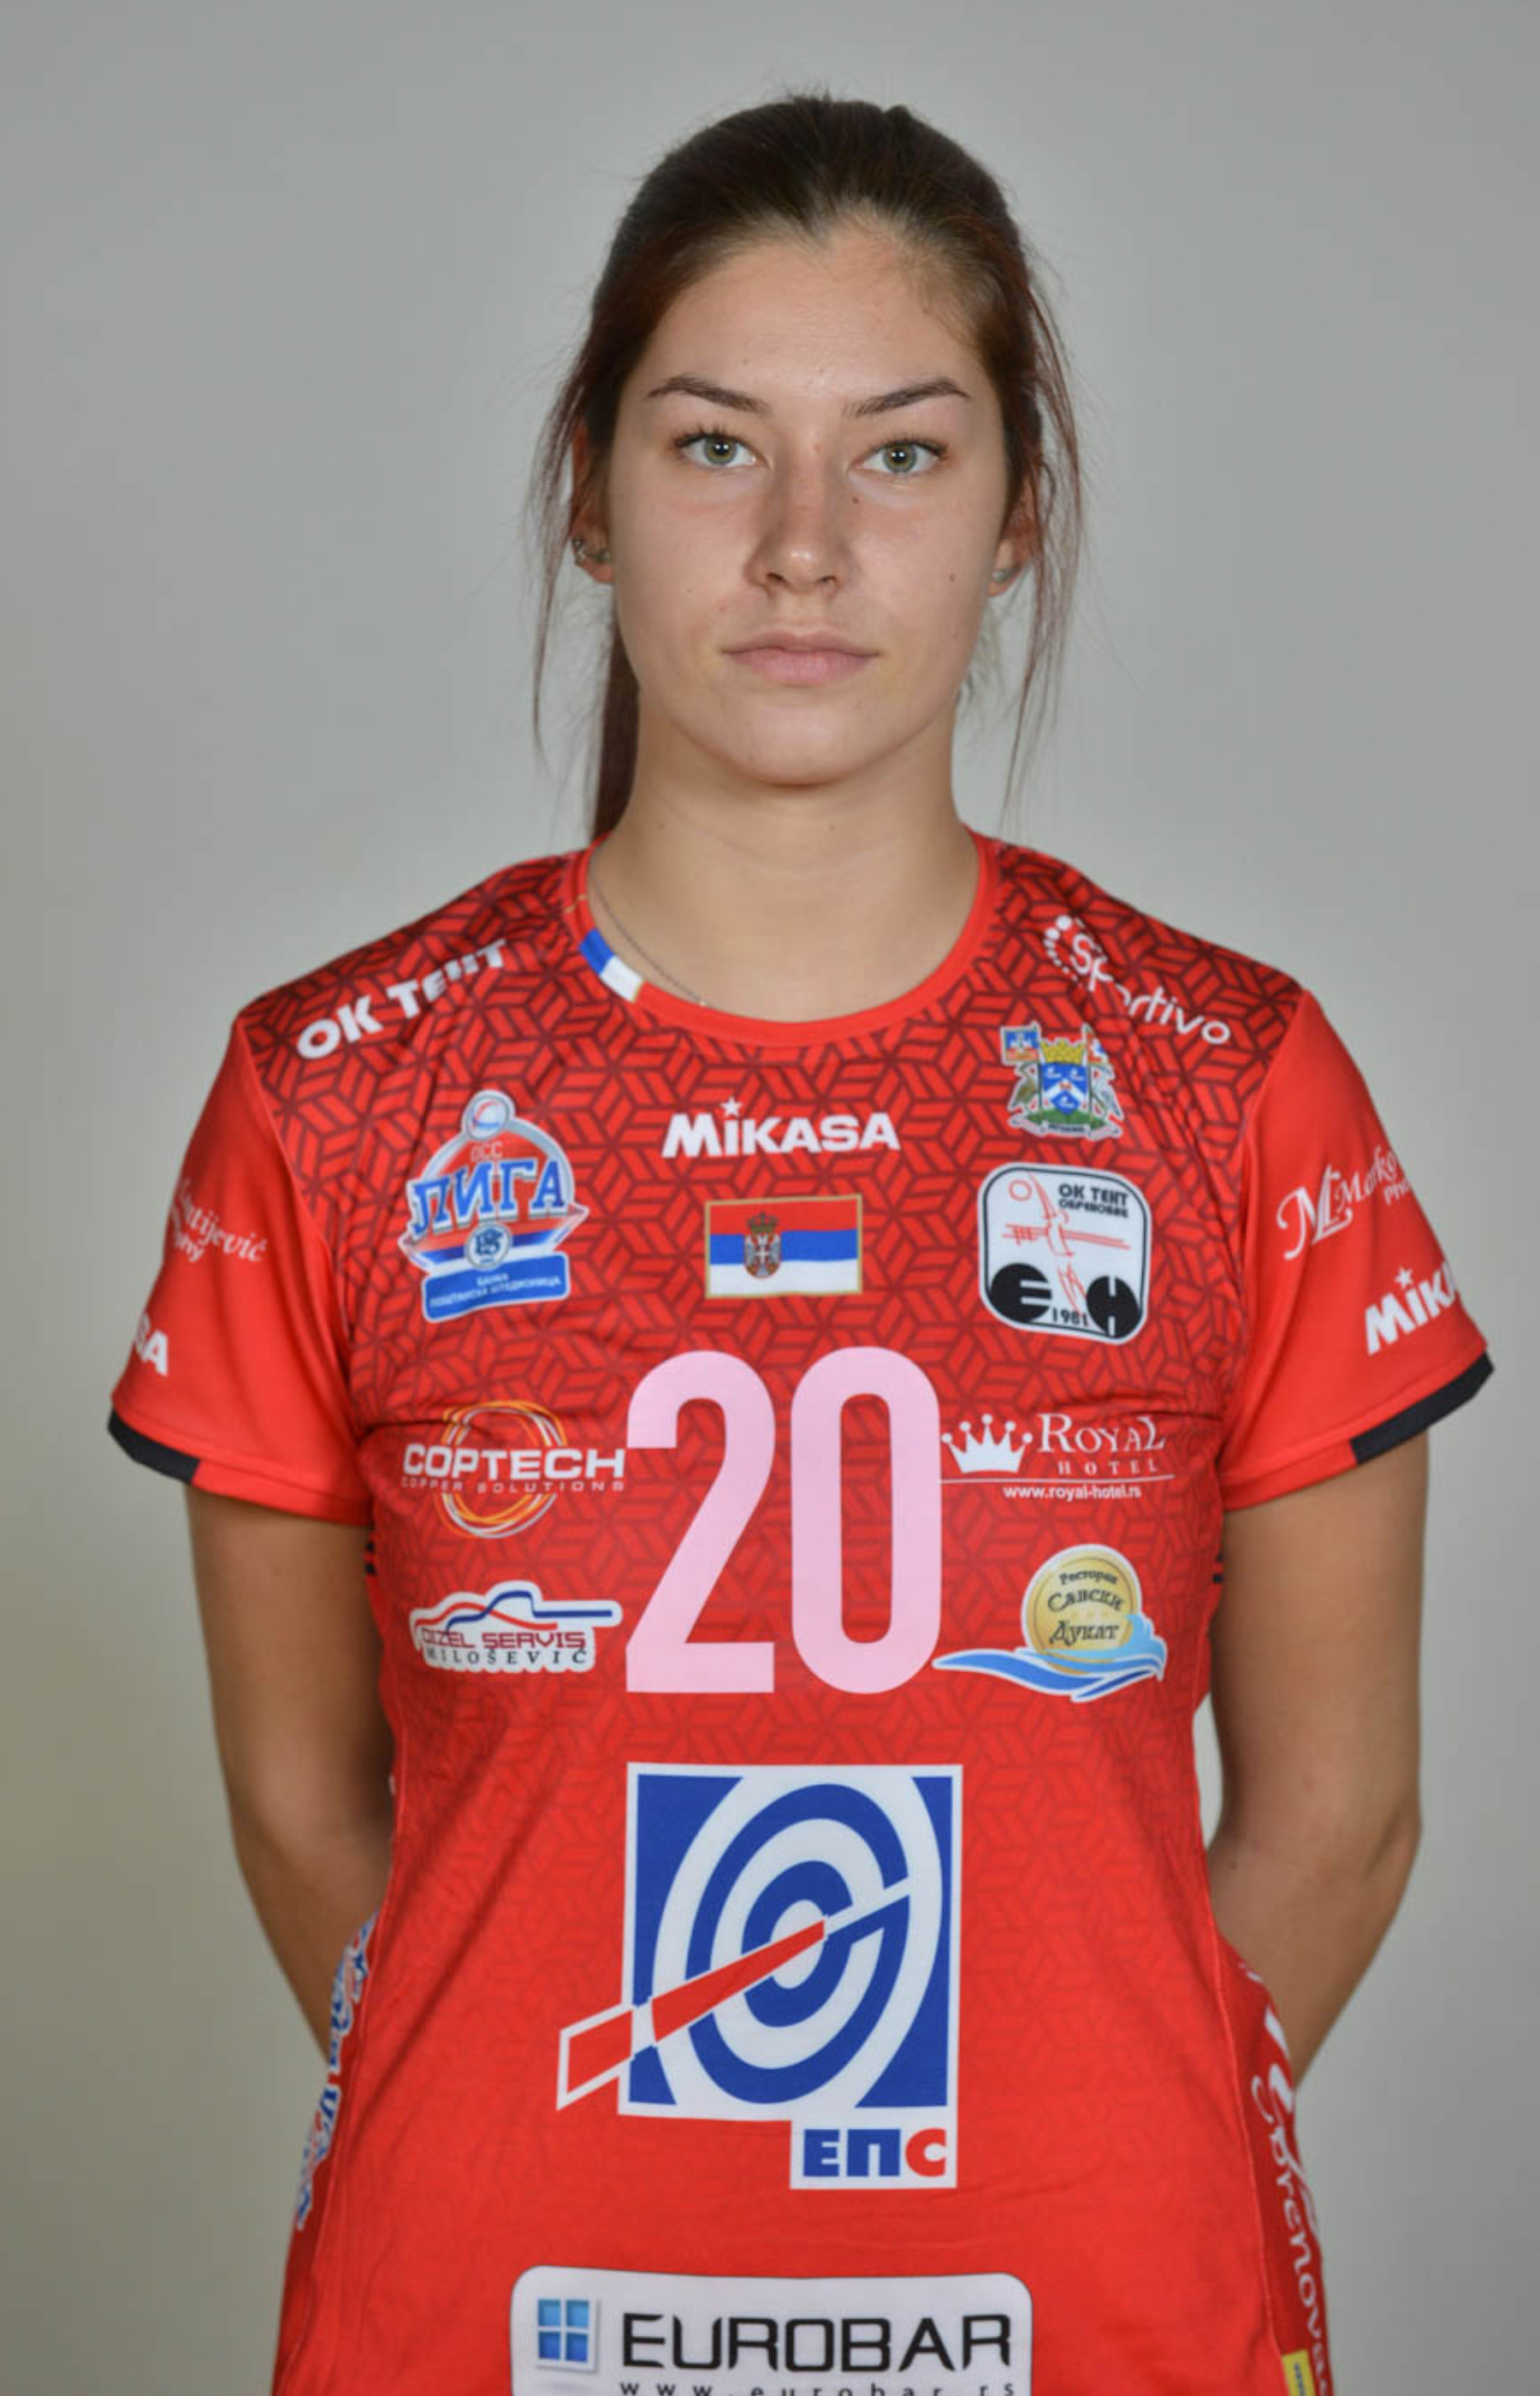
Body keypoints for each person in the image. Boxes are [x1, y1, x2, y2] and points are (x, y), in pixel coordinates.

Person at [106, 88, 1492, 2396]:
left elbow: (1339, 1819)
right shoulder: (335, 1093)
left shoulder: (1231, 1081)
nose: (807, 549)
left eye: (905, 454)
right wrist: (526, 2107)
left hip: (1093, 2314)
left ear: (1019, 516)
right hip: (497, 2314)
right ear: (589, 490)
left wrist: (1077, 2128)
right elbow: (300, 1806)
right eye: (716, 446)